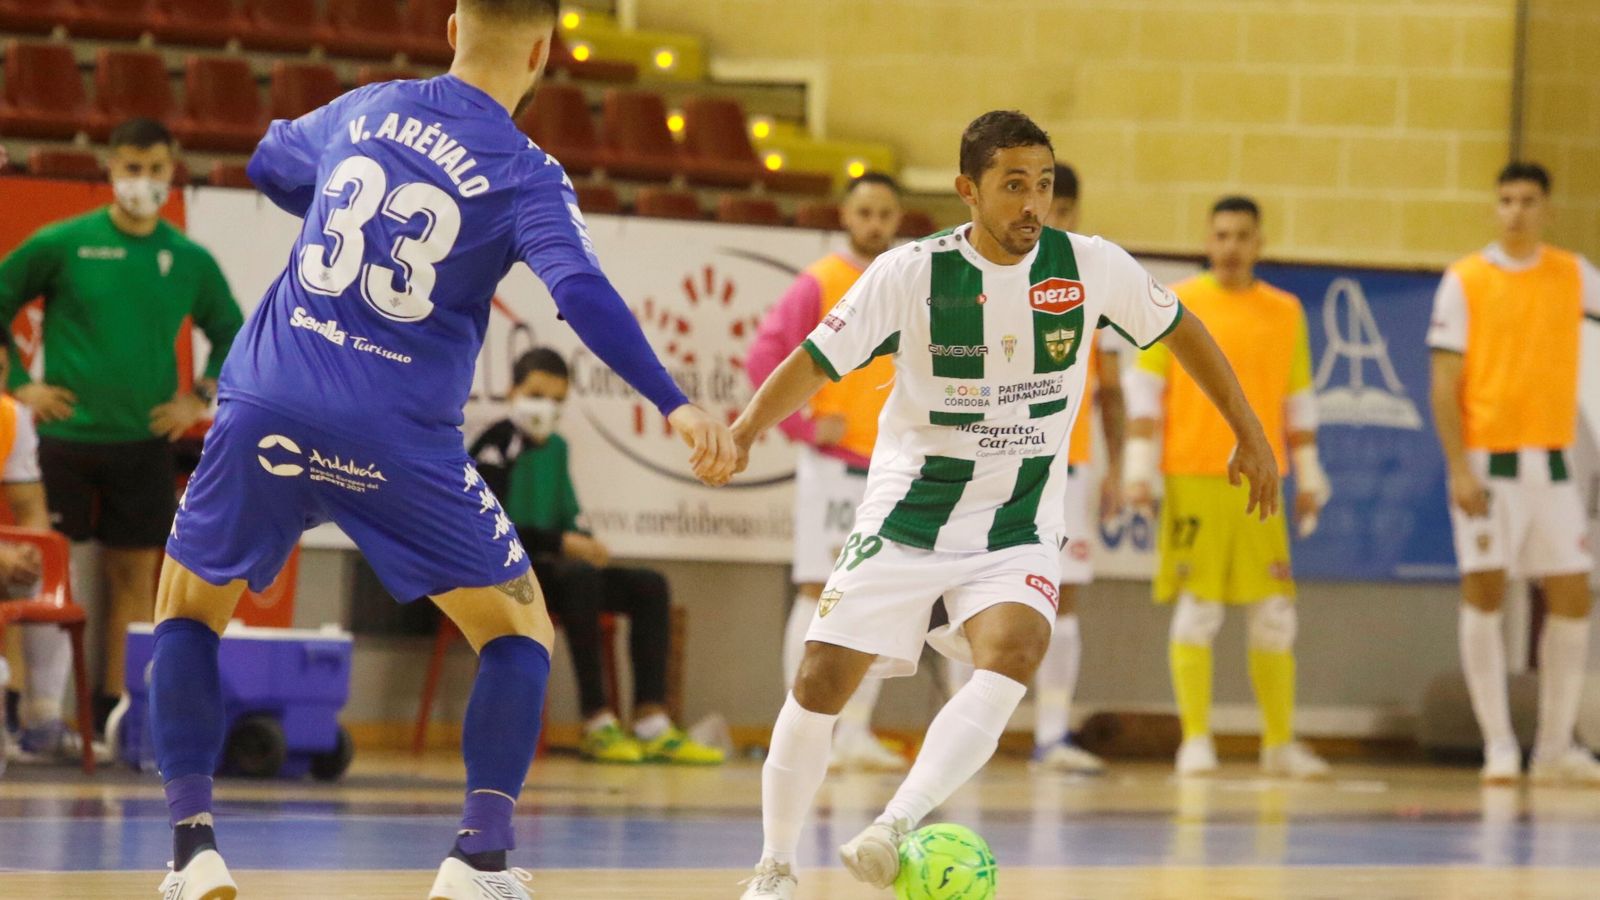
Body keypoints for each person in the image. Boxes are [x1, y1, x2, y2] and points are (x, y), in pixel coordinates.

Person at [146, 1, 736, 898]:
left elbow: (268, 158)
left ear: (454, 26)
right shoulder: (526, 173)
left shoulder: (367, 106)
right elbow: (578, 291)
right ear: (543, 51)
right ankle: (478, 857)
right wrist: (675, 402)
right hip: (393, 434)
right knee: (517, 629)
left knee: (188, 612)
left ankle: (194, 855)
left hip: (267, 401)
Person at [731, 110, 1278, 899]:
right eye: (1013, 185)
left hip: (1017, 523)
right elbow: (817, 359)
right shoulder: (910, 272)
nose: (1033, 203)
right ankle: (775, 865)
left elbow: (1182, 329)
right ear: (968, 191)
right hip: (909, 513)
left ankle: (893, 826)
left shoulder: (1088, 266)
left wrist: (1249, 431)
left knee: (1018, 647)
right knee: (820, 679)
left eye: (1044, 185)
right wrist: (747, 430)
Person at [0, 118, 244, 736]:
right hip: (62, 438)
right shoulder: (63, 242)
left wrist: (198, 397)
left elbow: (234, 334)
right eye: (131, 168)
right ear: (111, 170)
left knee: (135, 576)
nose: (143, 181)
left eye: (155, 169)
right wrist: (20, 383)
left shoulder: (188, 258)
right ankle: (27, 709)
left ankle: (112, 714)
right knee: (38, 570)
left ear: (172, 172)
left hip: (143, 442)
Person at [1123, 196, 1332, 780]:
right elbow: (1144, 391)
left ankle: (1279, 743)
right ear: (1208, 241)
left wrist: (1310, 474)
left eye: (1243, 235)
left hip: (1261, 481)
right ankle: (1195, 740)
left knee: (1274, 614)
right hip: (1194, 475)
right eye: (1222, 234)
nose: (1232, 245)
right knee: (1198, 612)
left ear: (1259, 243)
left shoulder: (1285, 310)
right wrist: (1139, 465)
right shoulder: (1178, 302)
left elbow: (1298, 399)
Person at [945, 162, 1125, 775]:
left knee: (1062, 600)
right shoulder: (982, 272)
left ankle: (1052, 735)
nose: (1051, 216)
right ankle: (962, 740)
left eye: (1062, 205)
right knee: (966, 598)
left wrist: (1120, 470)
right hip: (989, 462)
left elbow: (1115, 394)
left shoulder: (1091, 284)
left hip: (1067, 467)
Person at [1428, 161, 1600, 786]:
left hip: (1553, 466)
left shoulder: (1573, 274)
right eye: (1506, 200)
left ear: (1547, 208)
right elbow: (1444, 383)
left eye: (1528, 200)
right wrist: (1457, 466)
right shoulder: (1466, 280)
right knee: (1485, 592)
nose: (1517, 211)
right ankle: (1499, 745)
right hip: (1486, 466)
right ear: (1495, 207)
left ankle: (1554, 749)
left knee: (1573, 598)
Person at [471, 347, 723, 765]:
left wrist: (584, 540)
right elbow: (487, 530)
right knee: (578, 578)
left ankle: (651, 720)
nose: (545, 408)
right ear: (512, 391)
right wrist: (562, 545)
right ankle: (597, 721)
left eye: (556, 400)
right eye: (536, 394)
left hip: (558, 572)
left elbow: (569, 516)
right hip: (507, 578)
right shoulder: (495, 445)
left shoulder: (557, 449)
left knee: (649, 585)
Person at [745, 172, 907, 772]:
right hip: (832, 467)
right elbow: (764, 359)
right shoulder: (820, 281)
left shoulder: (903, 279)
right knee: (819, 590)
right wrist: (806, 427)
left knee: (878, 596)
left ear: (898, 219)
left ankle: (855, 731)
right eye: (864, 211)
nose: (874, 223)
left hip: (890, 466)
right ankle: (802, 725)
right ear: (845, 214)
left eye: (886, 213)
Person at [0, 342, 52, 771]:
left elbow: (32, 509)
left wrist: (29, 553)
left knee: (32, 575)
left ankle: (21, 713)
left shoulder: (10, 417)